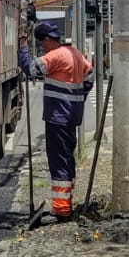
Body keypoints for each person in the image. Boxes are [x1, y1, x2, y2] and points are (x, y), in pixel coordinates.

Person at [19, 22, 93, 220]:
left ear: (47, 40)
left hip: (58, 116)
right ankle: (66, 201)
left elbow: (30, 69)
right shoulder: (75, 53)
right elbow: (90, 76)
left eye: (42, 43)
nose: (42, 48)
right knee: (67, 158)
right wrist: (79, 98)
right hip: (71, 116)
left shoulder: (55, 56)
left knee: (59, 160)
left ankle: (61, 209)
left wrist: (23, 47)